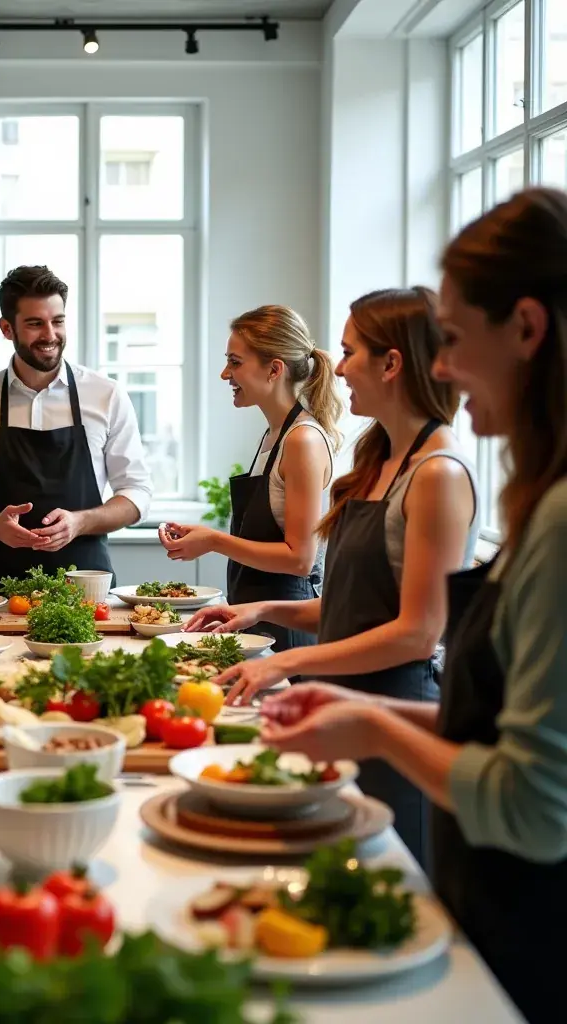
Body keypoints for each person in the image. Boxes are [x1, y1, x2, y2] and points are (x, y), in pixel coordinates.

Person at [258, 188, 567, 1024]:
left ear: (530, 330)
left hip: (528, 928)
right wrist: (287, 644)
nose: (446, 369)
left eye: (457, 340)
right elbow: (504, 738)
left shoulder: (493, 491)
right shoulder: (531, 497)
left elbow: (533, 802)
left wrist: (365, 718)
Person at [189, 287, 479, 865]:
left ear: (392, 363)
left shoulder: (439, 473)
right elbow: (350, 607)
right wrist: (262, 612)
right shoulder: (379, 462)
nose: (337, 367)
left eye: (350, 352)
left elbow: (417, 634)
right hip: (348, 703)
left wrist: (285, 660)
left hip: (399, 714)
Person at [0, 265, 153, 592]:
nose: (50, 335)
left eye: (57, 321)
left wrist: (81, 522)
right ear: (7, 328)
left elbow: (137, 493)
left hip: (87, 593)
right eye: (35, 324)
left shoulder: (106, 395)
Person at [161, 305, 342, 652]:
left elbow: (299, 558)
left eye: (235, 362)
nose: (224, 374)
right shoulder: (275, 435)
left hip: (287, 632)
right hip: (257, 623)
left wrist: (213, 540)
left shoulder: (302, 440)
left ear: (274, 369)